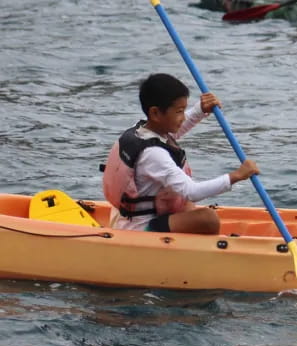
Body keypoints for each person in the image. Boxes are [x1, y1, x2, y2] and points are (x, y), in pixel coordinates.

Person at [102, 73, 259, 235]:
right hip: (141, 229)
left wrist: (200, 110)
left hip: (136, 218)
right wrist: (237, 176)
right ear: (155, 113)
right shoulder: (153, 155)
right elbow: (192, 191)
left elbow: (173, 132)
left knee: (187, 207)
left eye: (184, 110)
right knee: (207, 219)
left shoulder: (142, 129)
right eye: (179, 111)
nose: (183, 117)